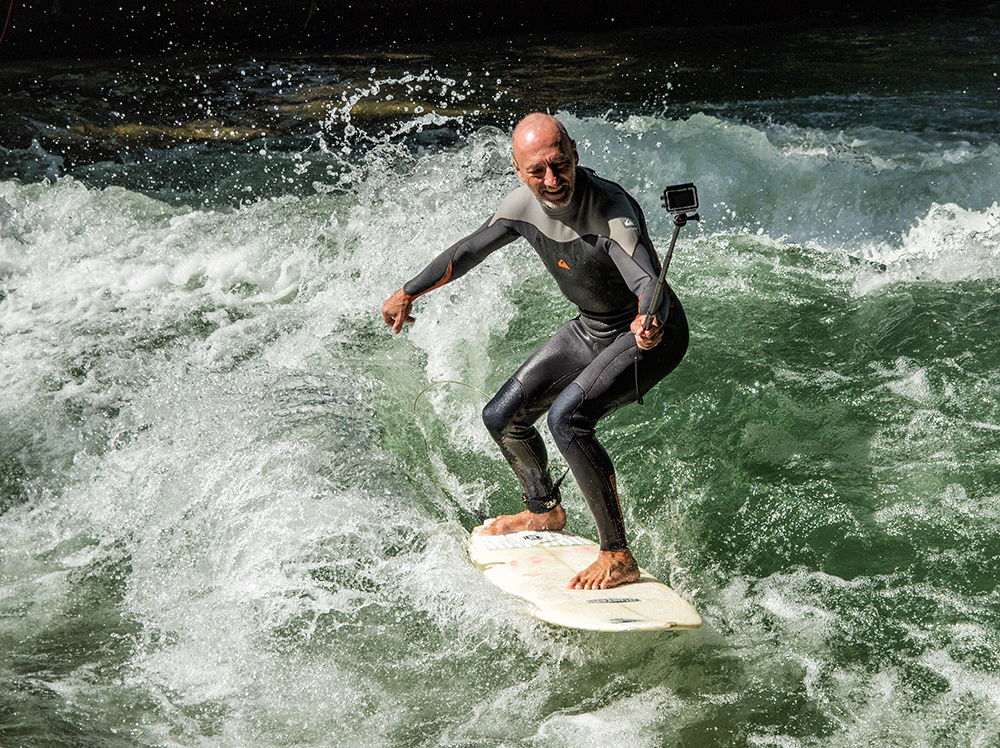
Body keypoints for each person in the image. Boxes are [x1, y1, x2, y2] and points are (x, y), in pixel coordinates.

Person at [382, 113, 689, 589]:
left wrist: (649, 318)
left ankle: (617, 555)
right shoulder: (521, 206)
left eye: (559, 164)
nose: (552, 180)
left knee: (567, 418)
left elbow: (649, 280)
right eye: (537, 171)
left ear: (575, 154)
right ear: (517, 169)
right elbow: (468, 251)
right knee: (502, 415)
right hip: (591, 329)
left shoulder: (610, 208)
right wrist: (409, 291)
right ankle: (544, 513)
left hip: (647, 333)